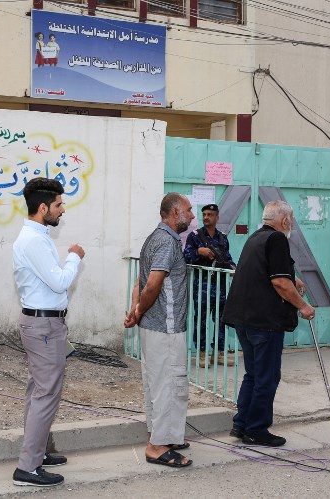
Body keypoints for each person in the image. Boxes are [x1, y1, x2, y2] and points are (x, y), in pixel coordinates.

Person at [11, 177, 85, 487]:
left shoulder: (37, 236)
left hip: (45, 324)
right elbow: (59, 281)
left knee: (37, 393)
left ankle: (36, 454)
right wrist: (75, 257)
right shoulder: (32, 240)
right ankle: (27, 467)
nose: (62, 210)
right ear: (43, 208)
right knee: (45, 395)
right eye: (58, 205)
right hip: (44, 326)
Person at [222, 200, 314, 447]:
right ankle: (257, 429)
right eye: (291, 220)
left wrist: (290, 276)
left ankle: (241, 424)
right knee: (267, 377)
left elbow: (267, 271)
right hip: (263, 321)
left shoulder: (256, 237)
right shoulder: (277, 239)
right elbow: (279, 283)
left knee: (253, 374)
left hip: (245, 319)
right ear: (284, 221)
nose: (291, 224)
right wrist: (303, 306)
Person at [124, 193, 194, 469]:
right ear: (175, 213)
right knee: (168, 384)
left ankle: (165, 436)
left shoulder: (156, 237)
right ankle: (156, 447)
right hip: (165, 329)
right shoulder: (166, 241)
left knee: (160, 384)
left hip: (155, 328)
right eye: (188, 211)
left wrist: (134, 309)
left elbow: (139, 280)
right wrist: (139, 310)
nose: (192, 216)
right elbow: (151, 284)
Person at [184, 203, 236, 368]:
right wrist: (199, 252)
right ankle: (201, 354)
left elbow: (227, 259)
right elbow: (185, 257)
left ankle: (219, 353)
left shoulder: (222, 237)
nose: (206, 217)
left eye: (210, 215)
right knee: (201, 321)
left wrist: (235, 268)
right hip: (202, 286)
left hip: (220, 285)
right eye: (204, 214)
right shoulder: (195, 236)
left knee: (222, 320)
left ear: (217, 217)